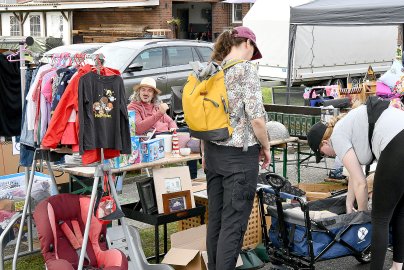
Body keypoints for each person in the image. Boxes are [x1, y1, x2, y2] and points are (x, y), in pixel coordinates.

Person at [202, 26, 271, 270]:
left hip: (212, 152)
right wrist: (266, 146)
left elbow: (206, 116)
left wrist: (203, 154)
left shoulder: (211, 70)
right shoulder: (245, 70)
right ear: (247, 44)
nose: (252, 55)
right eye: (253, 49)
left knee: (217, 221)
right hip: (238, 158)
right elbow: (257, 119)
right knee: (233, 223)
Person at [307, 103, 404, 270]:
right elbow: (354, 173)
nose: (328, 156)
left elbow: (360, 183)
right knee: (400, 212)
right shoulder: (346, 125)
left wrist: (363, 215)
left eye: (322, 154)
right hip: (399, 133)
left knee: (379, 219)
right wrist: (348, 203)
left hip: (396, 144)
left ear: (324, 143)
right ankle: (397, 266)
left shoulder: (337, 137)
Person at [127, 77, 198, 179]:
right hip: (149, 139)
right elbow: (138, 128)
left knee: (191, 132)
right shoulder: (133, 107)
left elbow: (170, 121)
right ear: (138, 92)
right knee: (186, 136)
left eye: (149, 90)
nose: (146, 93)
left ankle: (192, 177)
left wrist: (174, 129)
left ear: (153, 94)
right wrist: (159, 113)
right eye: (143, 89)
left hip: (166, 135)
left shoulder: (155, 105)